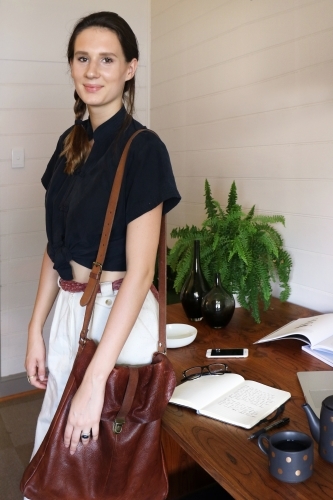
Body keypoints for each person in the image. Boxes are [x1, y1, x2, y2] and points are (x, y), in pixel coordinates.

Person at [24, 10, 180, 493]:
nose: (92, 71)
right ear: (72, 66)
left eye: (107, 59)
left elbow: (138, 275)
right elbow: (56, 247)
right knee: (58, 454)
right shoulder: (68, 144)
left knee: (100, 466)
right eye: (82, 58)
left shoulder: (143, 148)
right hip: (72, 309)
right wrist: (36, 329)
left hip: (117, 316)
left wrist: (96, 380)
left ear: (130, 68)